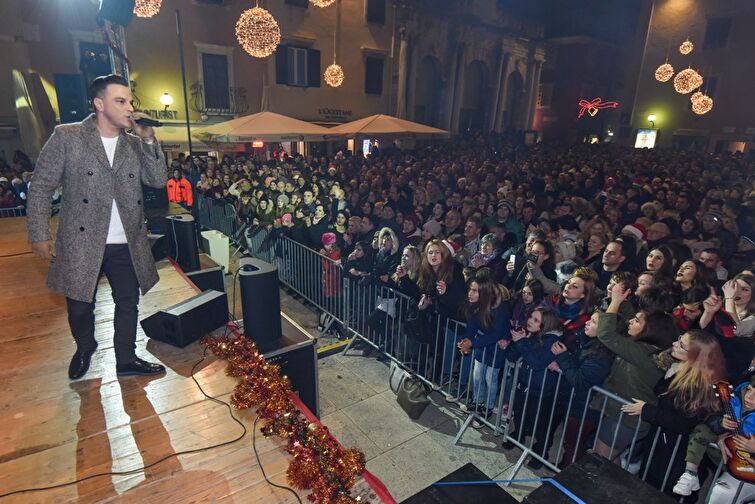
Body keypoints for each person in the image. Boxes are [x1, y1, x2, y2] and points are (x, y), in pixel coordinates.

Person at [27, 74, 168, 379]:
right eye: (121, 101)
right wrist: (39, 234)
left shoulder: (133, 143)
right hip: (81, 240)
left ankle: (126, 359)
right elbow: (40, 186)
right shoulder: (68, 137)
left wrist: (148, 140)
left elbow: (157, 181)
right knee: (79, 307)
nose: (129, 107)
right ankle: (85, 346)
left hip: (127, 240)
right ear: (99, 103)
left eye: (131, 101)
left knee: (128, 302)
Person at [621, 330, 725, 496]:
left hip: (675, 455)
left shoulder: (699, 385)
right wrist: (673, 371)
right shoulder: (683, 370)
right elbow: (660, 392)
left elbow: (684, 423)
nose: (674, 344)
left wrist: (646, 410)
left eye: (681, 345)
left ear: (696, 356)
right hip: (662, 444)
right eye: (679, 340)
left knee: (662, 493)